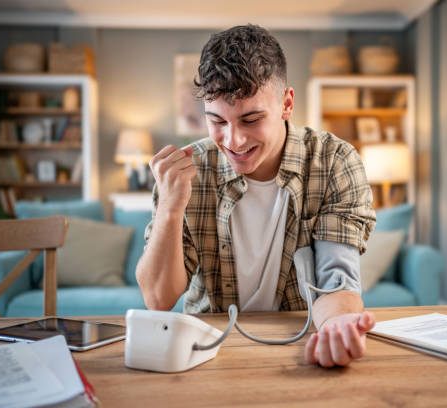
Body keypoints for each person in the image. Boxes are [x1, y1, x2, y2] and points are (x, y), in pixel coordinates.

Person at [136, 24, 377, 368]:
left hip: (298, 351)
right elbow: (158, 299)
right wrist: (170, 210)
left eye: (251, 119)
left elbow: (336, 282)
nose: (233, 140)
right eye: (217, 121)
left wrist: (337, 327)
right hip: (206, 353)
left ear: (286, 104)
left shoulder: (334, 161)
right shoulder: (191, 170)